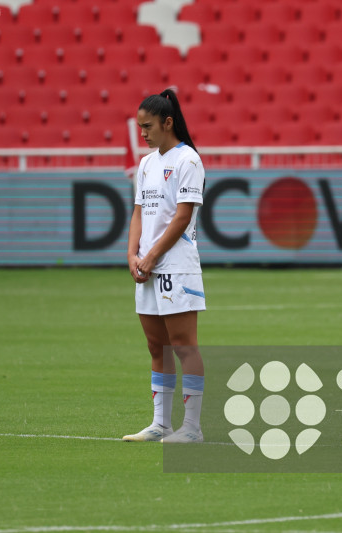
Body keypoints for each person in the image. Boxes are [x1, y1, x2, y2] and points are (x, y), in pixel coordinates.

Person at [123, 89, 207, 444]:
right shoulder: (146, 164)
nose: (143, 133)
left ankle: (192, 427)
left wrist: (153, 255)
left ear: (167, 122)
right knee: (156, 347)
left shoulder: (188, 160)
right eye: (140, 126)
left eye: (148, 126)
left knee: (184, 346)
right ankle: (161, 423)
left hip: (176, 267)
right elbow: (139, 212)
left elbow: (182, 217)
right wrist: (132, 255)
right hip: (147, 267)